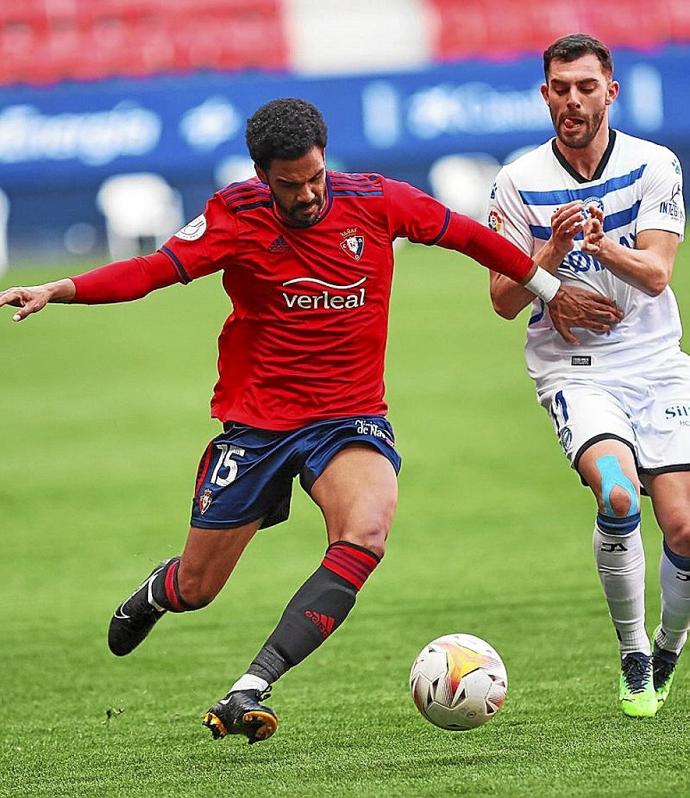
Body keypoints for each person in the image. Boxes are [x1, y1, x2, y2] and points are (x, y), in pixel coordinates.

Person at [0, 98, 620, 744]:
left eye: (314, 177)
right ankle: (159, 593)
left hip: (348, 418)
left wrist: (548, 287)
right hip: (258, 424)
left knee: (367, 532)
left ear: (326, 158)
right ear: (262, 176)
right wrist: (59, 289)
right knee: (200, 584)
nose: (306, 194)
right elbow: (151, 271)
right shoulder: (233, 216)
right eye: (289, 184)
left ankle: (251, 686)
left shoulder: (376, 201)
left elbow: (467, 236)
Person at [488, 34, 689, 719]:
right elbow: (502, 298)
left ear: (611, 92)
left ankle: (668, 644)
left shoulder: (654, 164)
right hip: (575, 369)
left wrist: (603, 244)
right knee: (620, 498)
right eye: (560, 88)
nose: (573, 100)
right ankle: (633, 652)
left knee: (686, 530)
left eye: (585, 86)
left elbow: (659, 274)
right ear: (544, 94)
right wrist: (549, 256)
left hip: (658, 365)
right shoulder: (516, 182)